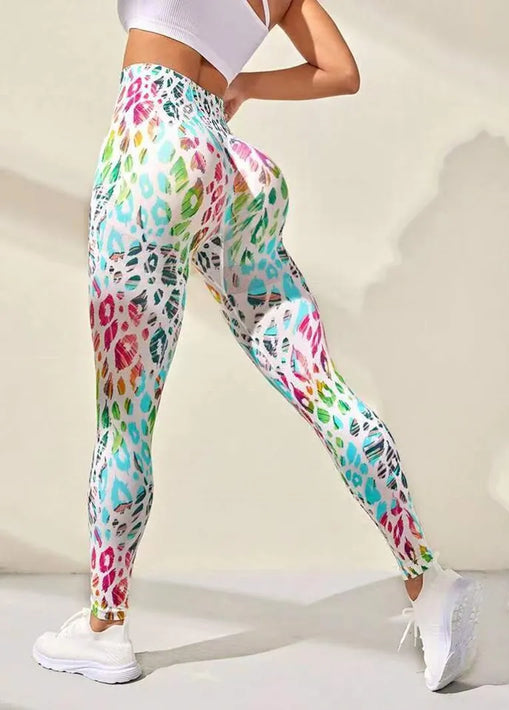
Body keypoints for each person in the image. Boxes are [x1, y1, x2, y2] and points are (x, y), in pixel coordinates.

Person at [32, 0, 482, 691]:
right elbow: (340, 72)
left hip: (151, 146)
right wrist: (240, 83)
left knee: (125, 422)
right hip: (234, 169)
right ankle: (427, 580)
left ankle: (104, 629)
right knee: (320, 386)